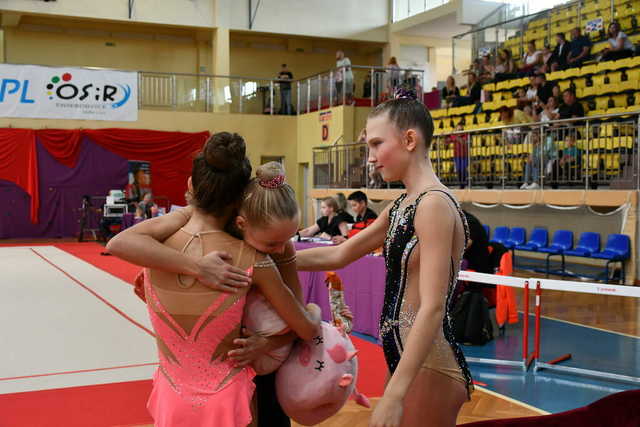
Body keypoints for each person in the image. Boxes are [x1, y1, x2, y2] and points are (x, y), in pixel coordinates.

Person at [108, 133, 322, 426]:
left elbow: (117, 243)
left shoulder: (153, 250)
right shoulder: (251, 259)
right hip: (228, 401)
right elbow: (307, 329)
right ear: (240, 198)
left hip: (172, 398)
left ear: (190, 186)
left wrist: (193, 265)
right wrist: (312, 313)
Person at [296, 93, 472, 426]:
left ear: (409, 139)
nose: (372, 158)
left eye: (377, 144)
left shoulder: (433, 204)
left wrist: (393, 394)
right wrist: (275, 259)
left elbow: (432, 306)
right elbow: (339, 252)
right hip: (407, 357)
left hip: (429, 363)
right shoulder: (402, 205)